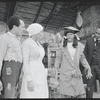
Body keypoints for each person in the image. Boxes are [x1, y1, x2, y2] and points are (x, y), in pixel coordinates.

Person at [54, 26, 92, 98]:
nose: (69, 36)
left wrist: (88, 68)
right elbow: (58, 58)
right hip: (65, 73)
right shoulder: (62, 46)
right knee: (66, 94)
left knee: (77, 93)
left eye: (71, 34)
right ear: (65, 36)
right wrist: (56, 67)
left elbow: (82, 58)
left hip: (76, 74)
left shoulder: (79, 46)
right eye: (67, 34)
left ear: (74, 35)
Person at [20, 23, 48, 98]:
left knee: (40, 94)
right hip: (31, 72)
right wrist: (29, 80)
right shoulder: (26, 43)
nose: (42, 34)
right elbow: (25, 63)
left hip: (40, 72)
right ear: (36, 32)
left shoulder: (38, 44)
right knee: (31, 94)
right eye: (41, 32)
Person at [0, 15, 25, 98]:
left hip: (17, 72)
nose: (23, 29)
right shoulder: (4, 38)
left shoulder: (18, 40)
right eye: (22, 27)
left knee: (13, 94)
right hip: (9, 72)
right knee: (8, 94)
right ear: (15, 27)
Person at [84, 25, 100, 98]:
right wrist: (86, 66)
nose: (97, 35)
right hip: (90, 67)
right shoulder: (88, 41)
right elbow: (85, 53)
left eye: (99, 34)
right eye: (96, 33)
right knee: (89, 87)